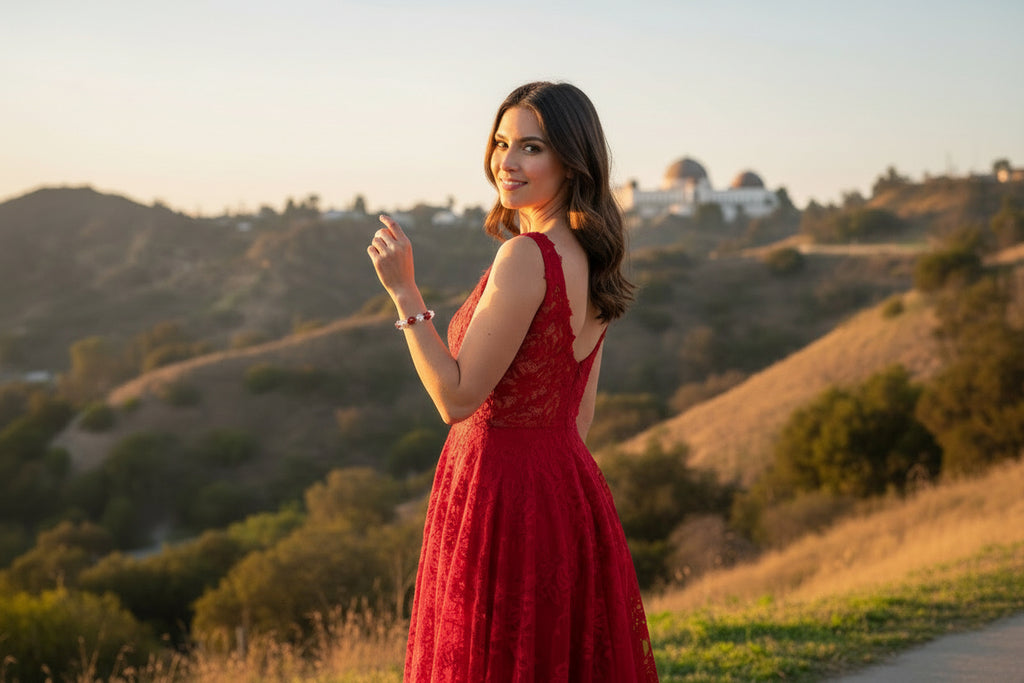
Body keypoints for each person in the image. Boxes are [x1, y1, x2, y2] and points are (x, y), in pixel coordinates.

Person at [367, 81, 659, 682]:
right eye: (502, 143)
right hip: (563, 494)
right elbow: (578, 417)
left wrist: (405, 293)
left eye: (532, 147)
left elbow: (456, 399)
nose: (507, 162)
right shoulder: (594, 260)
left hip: (498, 494)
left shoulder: (528, 256)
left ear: (571, 160)